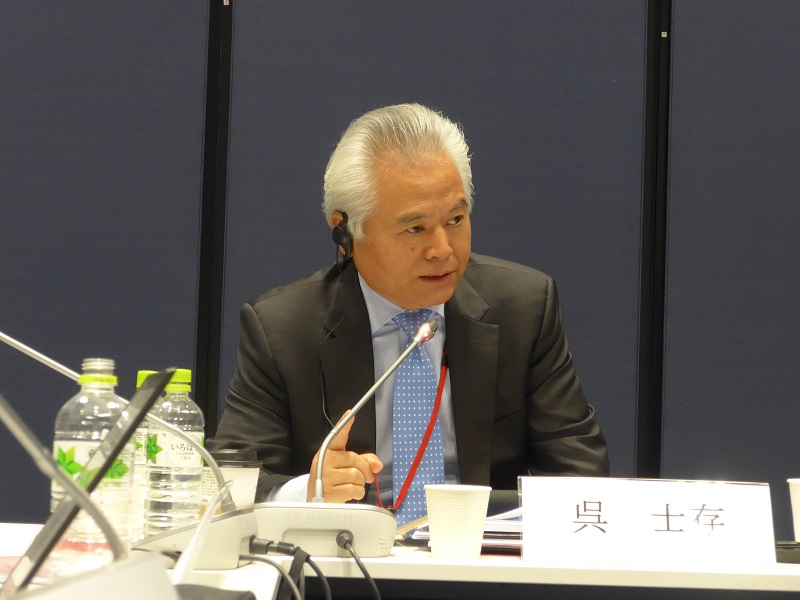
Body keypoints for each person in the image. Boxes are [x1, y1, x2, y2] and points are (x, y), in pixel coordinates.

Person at [208, 103, 609, 518]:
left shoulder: (523, 309)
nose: (442, 250)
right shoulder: (283, 330)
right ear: (346, 231)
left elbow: (580, 472)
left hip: (478, 548)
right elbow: (231, 485)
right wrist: (306, 491)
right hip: (349, 552)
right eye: (415, 228)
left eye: (456, 219)